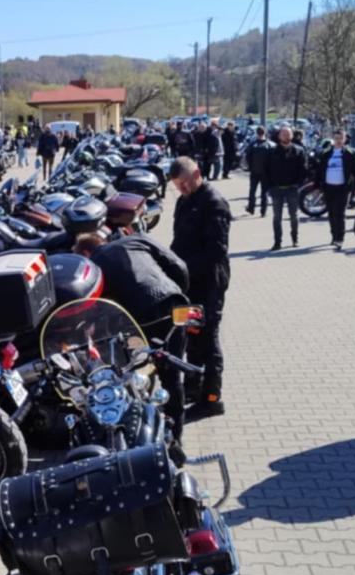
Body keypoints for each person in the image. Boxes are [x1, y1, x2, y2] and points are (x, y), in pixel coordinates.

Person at [75, 231, 192, 438]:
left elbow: (99, 308)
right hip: (175, 305)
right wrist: (177, 291)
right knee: (172, 375)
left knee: (131, 372)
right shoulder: (137, 239)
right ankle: (176, 437)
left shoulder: (94, 265)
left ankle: (138, 430)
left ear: (85, 253)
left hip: (141, 319)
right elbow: (179, 265)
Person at [168, 157, 231, 419]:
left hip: (209, 282)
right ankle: (192, 386)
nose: (181, 189)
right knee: (191, 333)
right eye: (177, 186)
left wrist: (183, 266)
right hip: (188, 283)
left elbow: (216, 251)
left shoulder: (214, 203)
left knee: (208, 338)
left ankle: (212, 398)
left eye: (184, 184)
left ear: (197, 174)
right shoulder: (184, 201)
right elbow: (179, 240)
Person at [314, 129, 355, 251]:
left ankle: (340, 238)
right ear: (333, 139)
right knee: (331, 213)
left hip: (343, 188)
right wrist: (317, 187)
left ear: (345, 139)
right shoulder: (325, 153)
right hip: (328, 187)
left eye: (341, 138)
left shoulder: (351, 153)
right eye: (336, 138)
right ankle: (334, 236)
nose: (338, 141)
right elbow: (319, 171)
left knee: (340, 213)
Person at [264, 126, 309, 250]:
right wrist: (269, 186)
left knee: (294, 216)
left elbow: (304, 169)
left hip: (292, 188)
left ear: (292, 136)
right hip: (276, 189)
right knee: (277, 217)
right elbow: (266, 170)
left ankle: (295, 239)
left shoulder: (299, 150)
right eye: (283, 134)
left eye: (288, 134)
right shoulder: (272, 151)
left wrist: (298, 184)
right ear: (279, 136)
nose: (286, 136)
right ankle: (277, 242)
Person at [245, 126, 270, 217]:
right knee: (264, 192)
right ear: (265, 133)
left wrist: (250, 167)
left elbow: (247, 156)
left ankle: (251, 208)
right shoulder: (270, 145)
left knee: (252, 190)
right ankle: (263, 211)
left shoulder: (253, 144)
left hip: (254, 171)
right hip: (266, 172)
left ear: (256, 133)